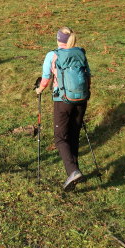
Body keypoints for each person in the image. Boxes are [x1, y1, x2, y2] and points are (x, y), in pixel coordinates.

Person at [35, 27, 92, 191]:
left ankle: (73, 171)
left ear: (58, 39)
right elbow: (88, 77)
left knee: (60, 137)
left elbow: (46, 78)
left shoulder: (53, 55)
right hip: (82, 99)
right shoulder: (80, 53)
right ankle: (75, 171)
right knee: (74, 136)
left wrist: (39, 90)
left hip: (63, 100)